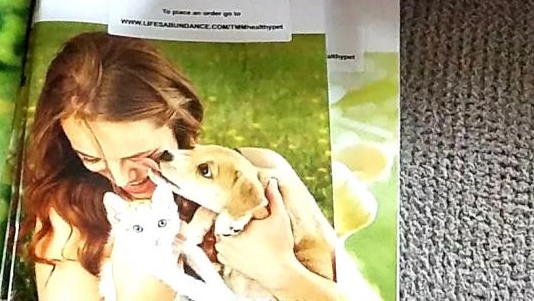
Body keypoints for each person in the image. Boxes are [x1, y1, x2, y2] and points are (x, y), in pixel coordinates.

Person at [23, 31, 341, 301]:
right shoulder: (72, 218)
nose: (122, 178)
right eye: (91, 159)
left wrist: (280, 271)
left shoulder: (257, 172)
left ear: (180, 121)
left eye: (142, 154)